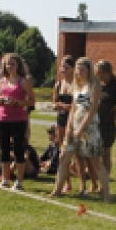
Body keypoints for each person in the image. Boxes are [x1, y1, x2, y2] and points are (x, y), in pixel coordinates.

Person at [51, 57, 110, 202]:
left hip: (89, 128)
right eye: (77, 69)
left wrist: (81, 129)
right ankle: (57, 190)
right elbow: (73, 109)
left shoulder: (94, 85)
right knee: (63, 156)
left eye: (82, 69)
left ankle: (107, 194)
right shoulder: (77, 85)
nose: (79, 72)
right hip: (75, 126)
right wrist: (70, 128)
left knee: (96, 162)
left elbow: (92, 109)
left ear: (89, 70)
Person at [0, 53, 35, 190]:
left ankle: (19, 181)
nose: (10, 66)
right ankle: (5, 179)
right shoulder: (3, 82)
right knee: (4, 149)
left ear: (18, 66)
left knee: (18, 149)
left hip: (18, 119)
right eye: (8, 64)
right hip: (3, 118)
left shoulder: (23, 81)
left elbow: (32, 101)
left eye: (13, 64)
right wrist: (0, 103)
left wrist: (17, 103)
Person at [52, 56, 76, 191]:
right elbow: (54, 103)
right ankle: (67, 182)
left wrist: (65, 106)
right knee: (62, 151)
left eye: (66, 67)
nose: (63, 70)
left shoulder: (77, 84)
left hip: (73, 121)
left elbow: (78, 105)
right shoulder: (58, 84)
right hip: (61, 121)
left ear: (72, 69)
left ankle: (89, 183)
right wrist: (58, 105)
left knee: (76, 153)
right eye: (61, 67)